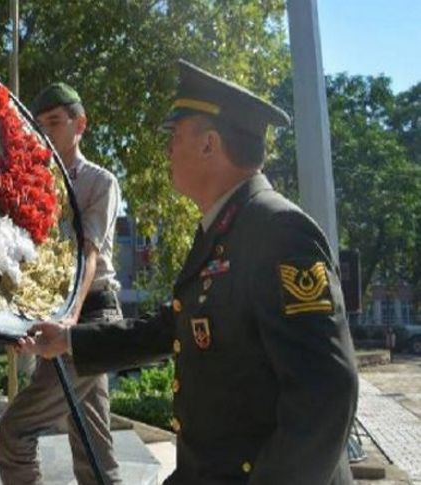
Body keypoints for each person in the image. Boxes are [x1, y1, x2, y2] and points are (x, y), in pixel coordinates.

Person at [19, 60, 359, 484]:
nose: (167, 150)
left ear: (208, 144)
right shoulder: (223, 227)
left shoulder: (279, 231)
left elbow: (326, 394)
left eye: (175, 136)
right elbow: (173, 326)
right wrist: (68, 341)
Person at [0, 83, 122, 484]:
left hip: (90, 316)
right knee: (94, 451)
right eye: (39, 125)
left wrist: (68, 321)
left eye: (54, 122)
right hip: (57, 319)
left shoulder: (98, 183)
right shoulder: (34, 185)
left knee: (15, 431)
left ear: (79, 124)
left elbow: (91, 254)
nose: (44, 132)